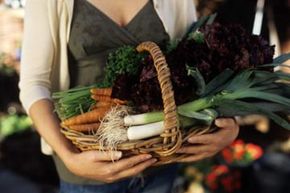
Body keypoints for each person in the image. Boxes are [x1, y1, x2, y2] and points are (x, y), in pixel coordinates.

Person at [19, 0, 239, 192]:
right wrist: (69, 157)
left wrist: (227, 123)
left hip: (159, 159)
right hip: (90, 168)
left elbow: (195, 62)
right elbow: (34, 84)